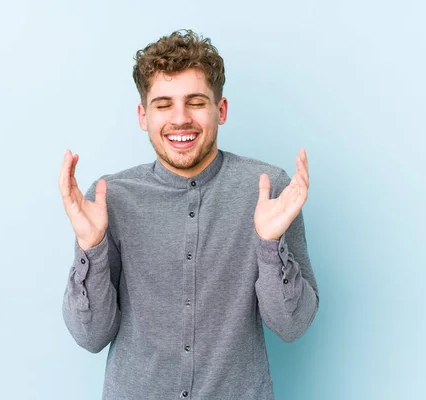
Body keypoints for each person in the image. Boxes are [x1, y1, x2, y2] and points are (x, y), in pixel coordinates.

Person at [59, 29, 319, 400]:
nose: (180, 119)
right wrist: (91, 248)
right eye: (163, 104)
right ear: (143, 115)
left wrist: (269, 244)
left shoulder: (269, 189)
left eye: (196, 102)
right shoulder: (107, 199)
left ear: (221, 110)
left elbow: (292, 325)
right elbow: (91, 336)